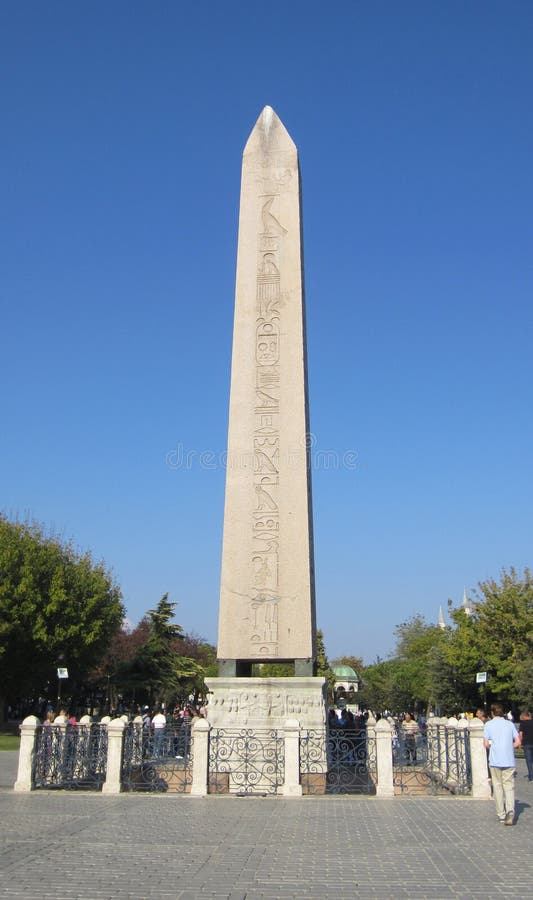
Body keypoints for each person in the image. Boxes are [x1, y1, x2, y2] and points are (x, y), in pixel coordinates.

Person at [483, 702, 520, 825]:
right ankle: (510, 811)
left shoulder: (488, 725)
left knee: (497, 787)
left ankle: (501, 814)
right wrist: (509, 747)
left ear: (492, 713)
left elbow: (486, 744)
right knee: (509, 787)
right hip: (509, 760)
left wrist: (494, 748)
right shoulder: (509, 724)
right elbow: (518, 742)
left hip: (495, 760)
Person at [518, 710, 533, 782]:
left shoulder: (522, 723)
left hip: (526, 743)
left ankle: (531, 776)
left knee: (529, 761)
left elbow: (520, 735)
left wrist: (520, 743)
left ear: (524, 716)